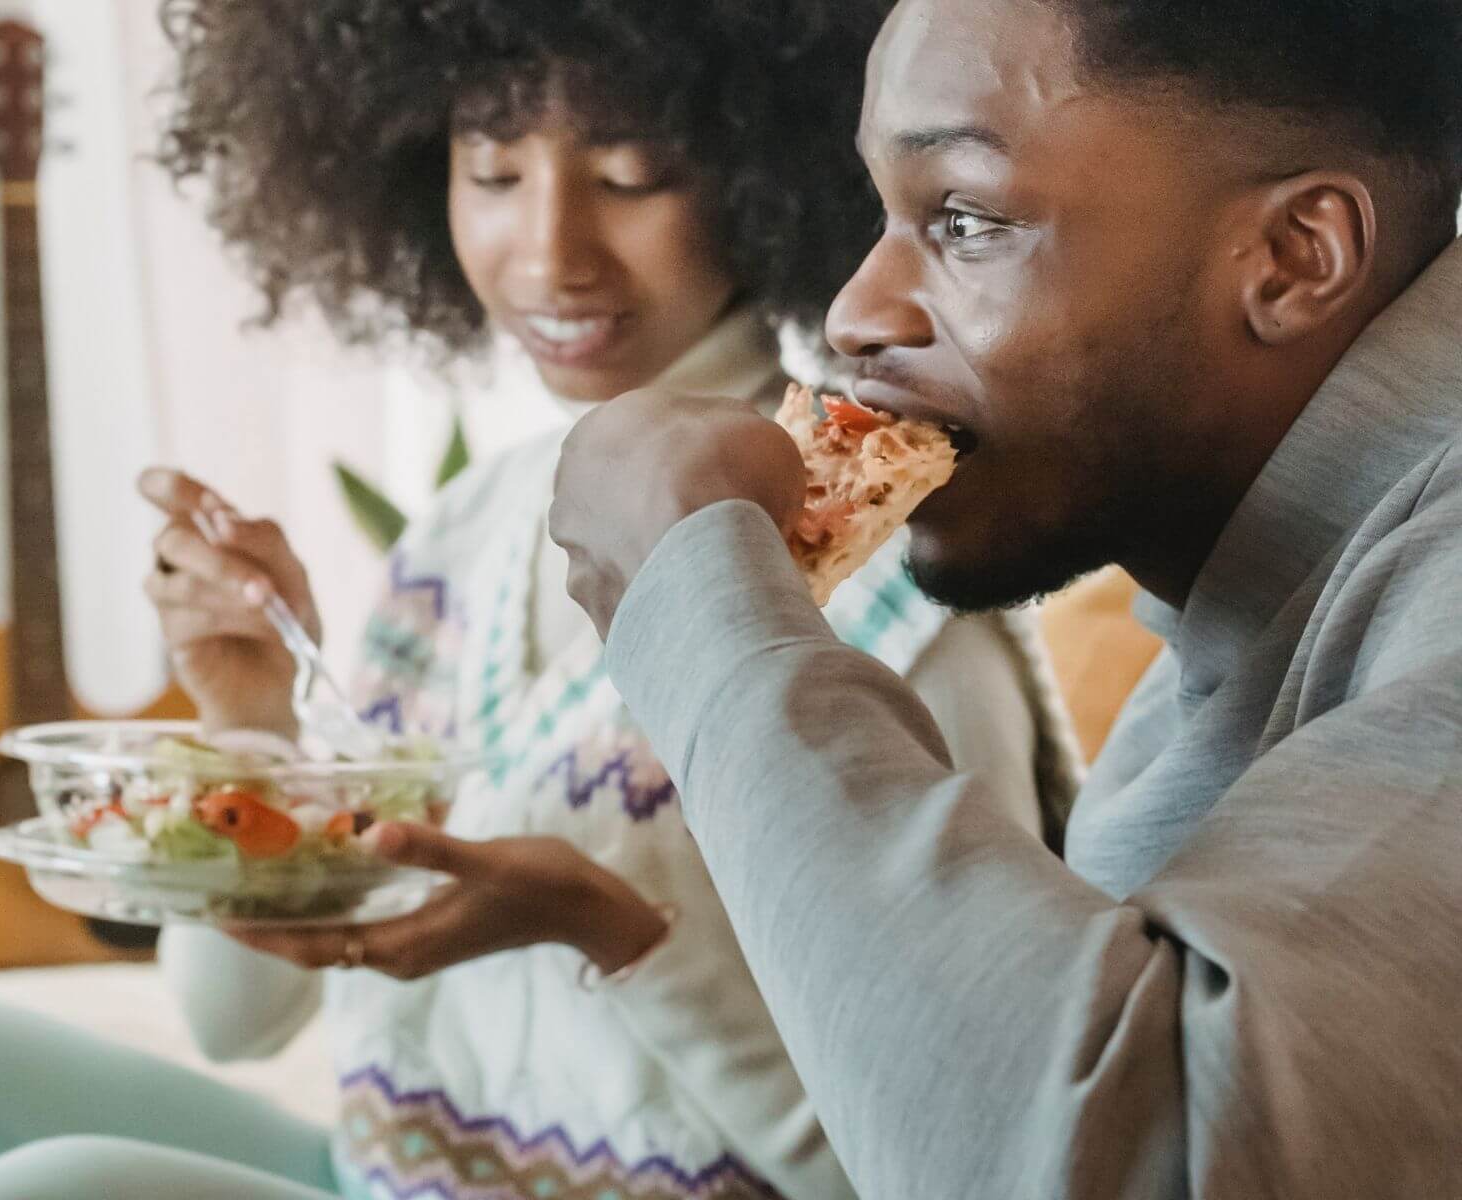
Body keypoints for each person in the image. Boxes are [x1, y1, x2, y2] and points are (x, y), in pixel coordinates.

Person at [0, 2, 1080, 1198]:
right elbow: (235, 1020)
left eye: (631, 174)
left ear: (771, 177)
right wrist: (251, 721)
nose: (546, 252)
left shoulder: (892, 604)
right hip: (387, 1170)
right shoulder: (464, 533)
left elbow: (958, 1160)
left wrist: (619, 936)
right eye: (489, 169)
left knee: (53, 1189)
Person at [548, 0, 1462, 1195]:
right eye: (885, 216)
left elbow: (1145, 1161)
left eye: (965, 219)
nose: (852, 314)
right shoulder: (1246, 609)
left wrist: (701, 609)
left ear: (1293, 257)